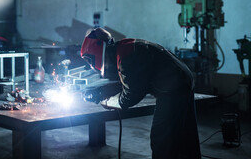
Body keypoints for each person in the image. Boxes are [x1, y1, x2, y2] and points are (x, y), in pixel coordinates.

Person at [80, 27, 201, 159]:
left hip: (172, 88)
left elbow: (129, 97)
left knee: (161, 138)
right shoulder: (124, 47)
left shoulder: (125, 57)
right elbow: (132, 79)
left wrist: (106, 101)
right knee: (186, 134)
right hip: (184, 78)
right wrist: (103, 90)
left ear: (98, 52)